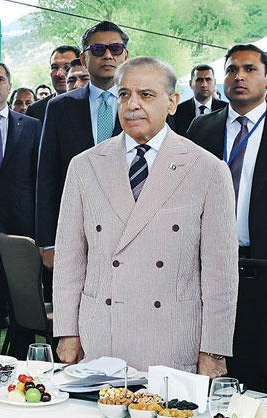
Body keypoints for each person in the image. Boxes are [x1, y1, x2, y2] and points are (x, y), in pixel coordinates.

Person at [54, 56, 238, 376]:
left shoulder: (208, 170)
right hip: (100, 340)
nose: (132, 105)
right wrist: (67, 332)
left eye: (146, 95)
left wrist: (214, 350)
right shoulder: (84, 166)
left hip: (171, 343)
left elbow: (220, 274)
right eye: (124, 94)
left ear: (172, 102)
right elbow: (69, 259)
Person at [186, 44, 267, 390]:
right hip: (208, 266)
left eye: (250, 69)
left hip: (260, 264)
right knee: (214, 368)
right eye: (232, 70)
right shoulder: (202, 128)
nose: (239, 77)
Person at [36, 21, 129, 270]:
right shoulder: (60, 108)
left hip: (131, 231)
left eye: (115, 49)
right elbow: (47, 177)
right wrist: (48, 241)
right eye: (98, 49)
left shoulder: (144, 104)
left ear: (126, 55)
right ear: (84, 58)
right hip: (75, 231)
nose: (108, 55)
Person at [0, 61, 40, 355]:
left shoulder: (31, 126)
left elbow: (38, 179)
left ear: (9, 85)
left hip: (21, 228)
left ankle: (21, 362)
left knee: (21, 301)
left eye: (0, 79)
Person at [27, 46, 81, 122]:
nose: (59, 74)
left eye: (67, 67)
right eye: (54, 67)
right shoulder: (36, 110)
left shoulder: (93, 104)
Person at [173, 64, 227, 135]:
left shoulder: (226, 109)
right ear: (190, 84)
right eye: (199, 80)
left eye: (208, 80)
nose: (204, 84)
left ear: (215, 82)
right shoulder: (177, 111)